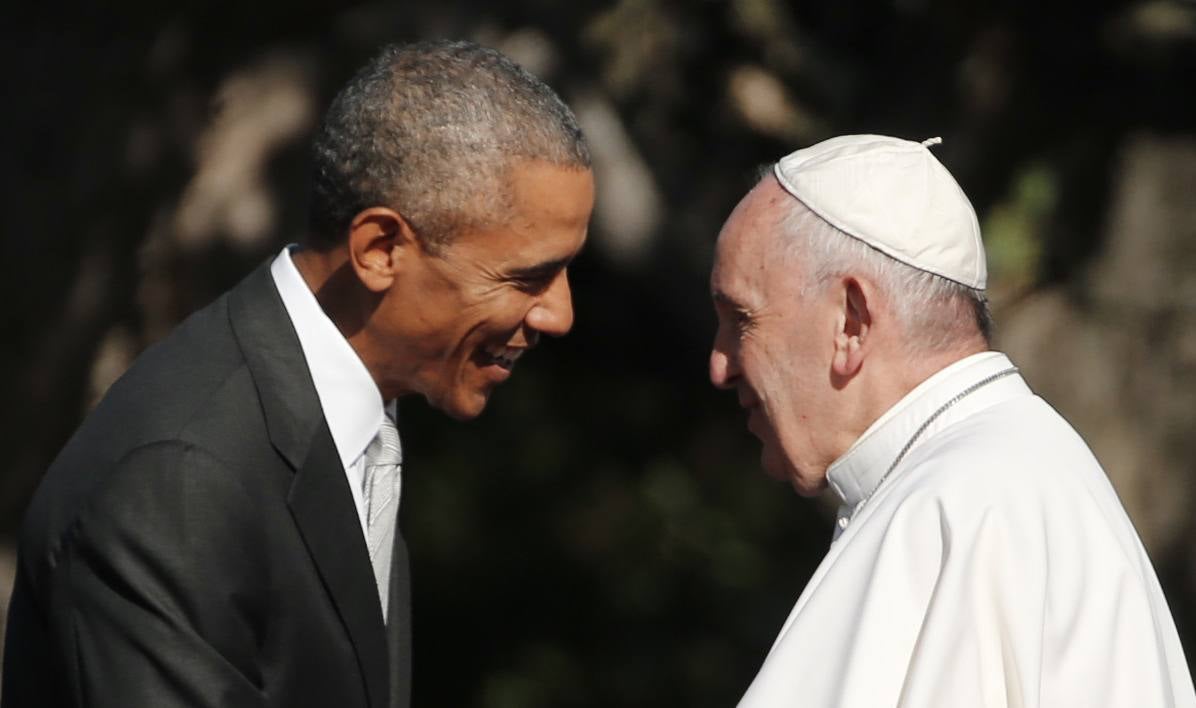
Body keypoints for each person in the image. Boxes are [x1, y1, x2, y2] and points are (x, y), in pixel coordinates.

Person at [2, 40, 593, 708]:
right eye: (528, 277)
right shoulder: (180, 482)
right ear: (379, 250)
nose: (560, 315)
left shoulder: (352, 411)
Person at [709, 134, 1195, 707]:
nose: (720, 365)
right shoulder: (994, 475)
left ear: (852, 322)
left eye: (741, 319)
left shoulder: (960, 503)